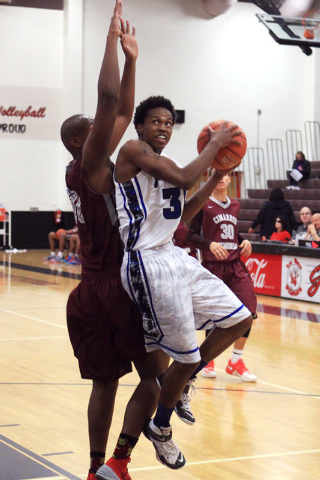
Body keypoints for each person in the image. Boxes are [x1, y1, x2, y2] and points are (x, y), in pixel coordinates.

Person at [114, 95, 253, 469]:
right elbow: (183, 178)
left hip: (173, 256)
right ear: (140, 126)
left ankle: (181, 388)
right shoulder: (132, 151)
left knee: (240, 319)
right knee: (185, 356)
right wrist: (214, 145)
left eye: (169, 122)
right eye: (156, 121)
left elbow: (184, 216)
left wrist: (214, 179)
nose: (163, 127)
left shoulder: (173, 164)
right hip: (146, 263)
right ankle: (160, 428)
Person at [61, 4, 168, 480]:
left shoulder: (79, 168)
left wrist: (133, 59)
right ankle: (121, 459)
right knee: (156, 375)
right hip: (117, 287)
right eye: (98, 131)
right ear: (85, 140)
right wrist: (110, 42)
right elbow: (111, 103)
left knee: (103, 384)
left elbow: (123, 109)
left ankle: (93, 469)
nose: (113, 129)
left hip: (87, 290)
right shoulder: (91, 159)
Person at [187, 172, 257, 382]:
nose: (222, 177)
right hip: (212, 265)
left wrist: (244, 242)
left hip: (235, 265)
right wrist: (208, 244)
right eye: (218, 174)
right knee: (216, 315)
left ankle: (236, 361)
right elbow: (190, 235)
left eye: (226, 174)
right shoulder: (203, 204)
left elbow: (232, 233)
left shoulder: (235, 205)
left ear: (230, 180)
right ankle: (208, 360)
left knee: (248, 311)